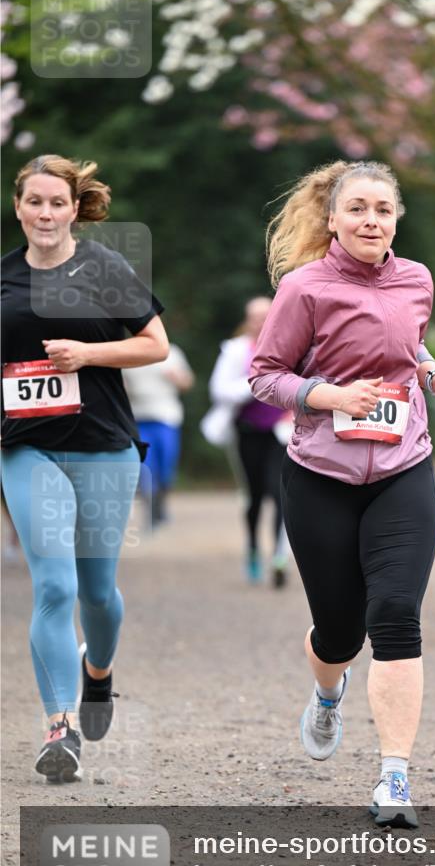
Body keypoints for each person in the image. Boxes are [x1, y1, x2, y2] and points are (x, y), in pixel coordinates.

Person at [250, 160, 435, 827]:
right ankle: (327, 694)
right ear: (333, 218)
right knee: (341, 632)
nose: (371, 220)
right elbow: (266, 376)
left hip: (404, 468)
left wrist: (432, 377)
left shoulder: (416, 279)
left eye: (382, 209)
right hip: (321, 475)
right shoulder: (304, 288)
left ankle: (394, 778)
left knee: (396, 613)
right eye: (358, 209)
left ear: (396, 219)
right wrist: (330, 396)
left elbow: (411, 347)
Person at [1, 155, 168, 782]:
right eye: (34, 201)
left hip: (102, 446)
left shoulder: (104, 267)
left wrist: (88, 354)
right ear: (18, 207)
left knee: (97, 592)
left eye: (57, 203)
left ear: (74, 209)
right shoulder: (4, 278)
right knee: (54, 587)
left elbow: (156, 345)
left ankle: (98, 671)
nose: (45, 213)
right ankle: (60, 726)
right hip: (27, 448)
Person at [203, 297, 291, 587]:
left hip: (281, 433)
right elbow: (219, 390)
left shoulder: (291, 343)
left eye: (266, 315)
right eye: (255, 317)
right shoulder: (236, 350)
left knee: (280, 494)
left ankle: (279, 556)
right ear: (248, 320)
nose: (260, 322)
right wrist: (256, 382)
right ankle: (253, 546)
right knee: (254, 495)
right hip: (248, 431)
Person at [123, 343, 194, 527]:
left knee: (166, 467)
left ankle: (161, 503)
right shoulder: (127, 351)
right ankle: (151, 510)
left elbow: (187, 382)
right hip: (138, 418)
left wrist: (177, 378)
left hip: (166, 417)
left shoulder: (172, 352)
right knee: (145, 467)